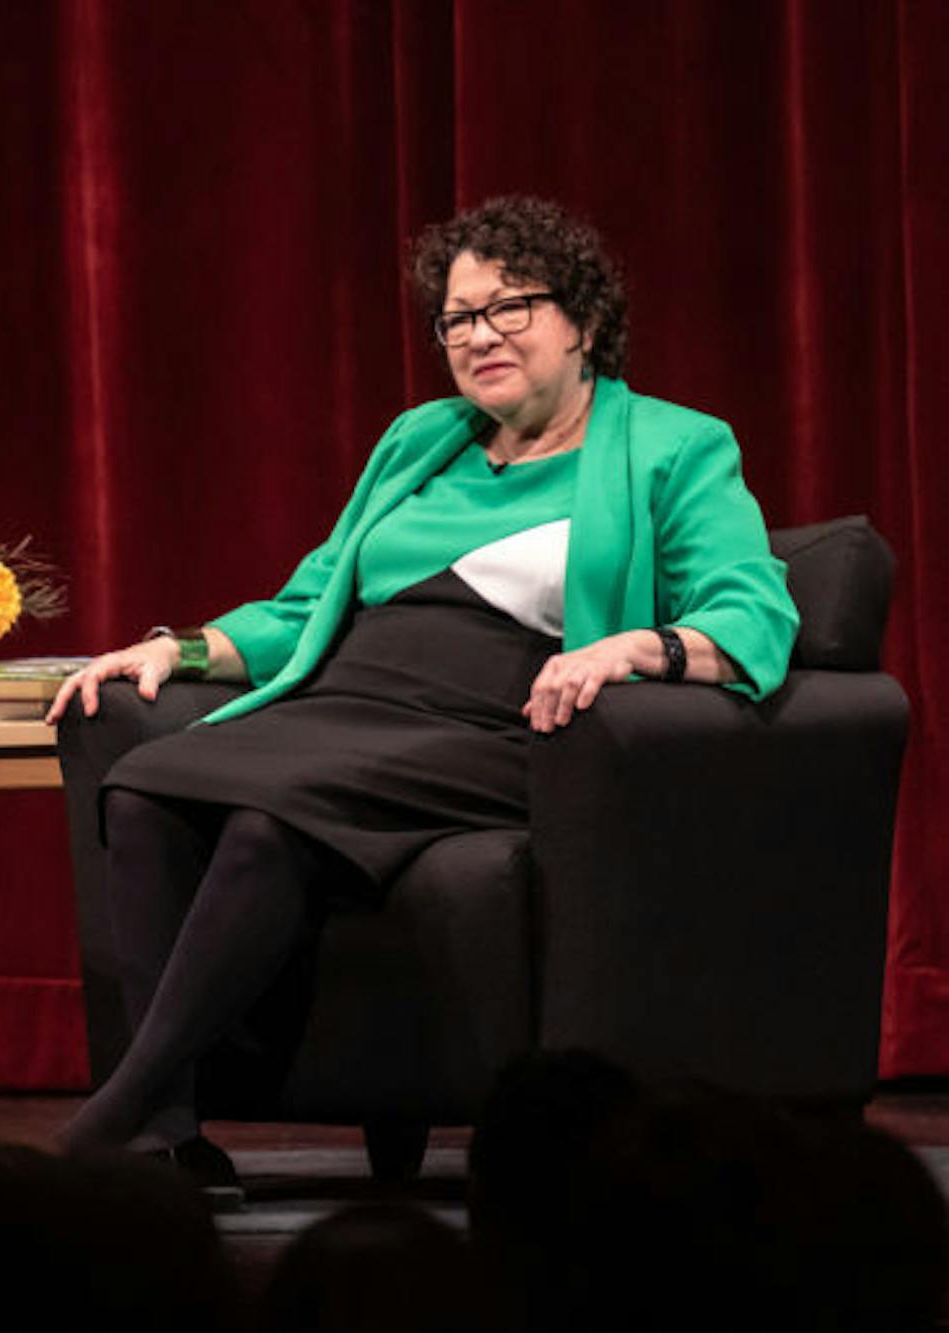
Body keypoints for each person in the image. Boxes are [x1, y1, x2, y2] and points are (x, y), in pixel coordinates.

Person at [45, 197, 799, 1169]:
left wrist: (631, 649)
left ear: (585, 322)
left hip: (489, 719)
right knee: (145, 787)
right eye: (455, 317)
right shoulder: (419, 441)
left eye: (507, 307)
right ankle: (165, 1136)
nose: (476, 335)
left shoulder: (671, 446)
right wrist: (178, 650)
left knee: (270, 815)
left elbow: (753, 615)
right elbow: (309, 601)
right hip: (349, 705)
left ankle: (118, 1115)